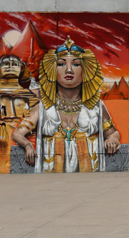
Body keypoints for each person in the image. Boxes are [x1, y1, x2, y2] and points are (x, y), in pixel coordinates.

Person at [12, 37, 120, 173]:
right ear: (52, 70)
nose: (69, 70)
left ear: (86, 70)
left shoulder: (96, 106)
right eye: (61, 64)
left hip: (90, 179)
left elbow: (112, 133)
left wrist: (113, 139)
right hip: (51, 178)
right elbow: (17, 134)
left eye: (76, 64)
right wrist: (27, 145)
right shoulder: (44, 107)